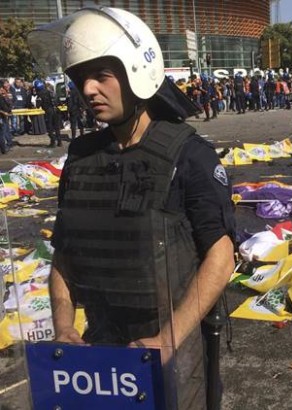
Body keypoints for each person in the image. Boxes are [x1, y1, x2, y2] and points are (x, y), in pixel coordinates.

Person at [27, 6, 235, 410]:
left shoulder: (189, 156)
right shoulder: (82, 158)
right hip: (99, 358)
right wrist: (64, 328)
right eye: (80, 78)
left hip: (170, 355)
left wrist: (167, 340)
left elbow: (221, 256)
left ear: (137, 71)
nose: (88, 89)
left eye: (101, 75)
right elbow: (65, 254)